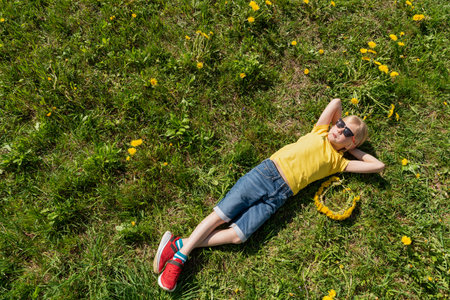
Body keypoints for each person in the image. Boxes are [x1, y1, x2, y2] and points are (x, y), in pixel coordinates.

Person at [153, 98, 385, 292]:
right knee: (220, 216)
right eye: (340, 123)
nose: (339, 129)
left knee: (238, 236)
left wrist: (351, 148)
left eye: (346, 131)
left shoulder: (339, 162)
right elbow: (336, 102)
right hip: (265, 174)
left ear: (351, 142)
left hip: (280, 195)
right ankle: (179, 258)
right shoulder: (320, 131)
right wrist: (341, 128)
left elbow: (377, 165)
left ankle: (179, 244)